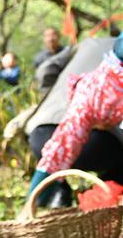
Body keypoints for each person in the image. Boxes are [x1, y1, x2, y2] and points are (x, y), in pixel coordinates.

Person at [24, 35, 123, 207]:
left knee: (58, 153)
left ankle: (50, 197)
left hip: (40, 133)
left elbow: (46, 71)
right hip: (97, 141)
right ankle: (101, 194)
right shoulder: (100, 92)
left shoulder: (89, 78)